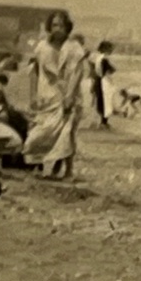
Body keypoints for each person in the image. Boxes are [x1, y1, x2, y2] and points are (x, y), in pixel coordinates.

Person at [22, 10, 86, 179]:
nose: (58, 29)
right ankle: (39, 165)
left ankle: (68, 170)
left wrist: (70, 96)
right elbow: (34, 71)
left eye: (62, 25)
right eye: (55, 25)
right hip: (46, 96)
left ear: (68, 27)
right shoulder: (42, 47)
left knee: (67, 133)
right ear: (50, 26)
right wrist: (33, 96)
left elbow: (77, 73)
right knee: (41, 132)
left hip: (67, 96)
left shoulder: (74, 48)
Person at [92, 40, 117, 129]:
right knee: (106, 101)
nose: (111, 50)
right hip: (104, 81)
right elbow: (112, 69)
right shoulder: (104, 59)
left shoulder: (97, 58)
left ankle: (102, 122)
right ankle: (103, 122)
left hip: (98, 80)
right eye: (110, 48)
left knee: (101, 101)